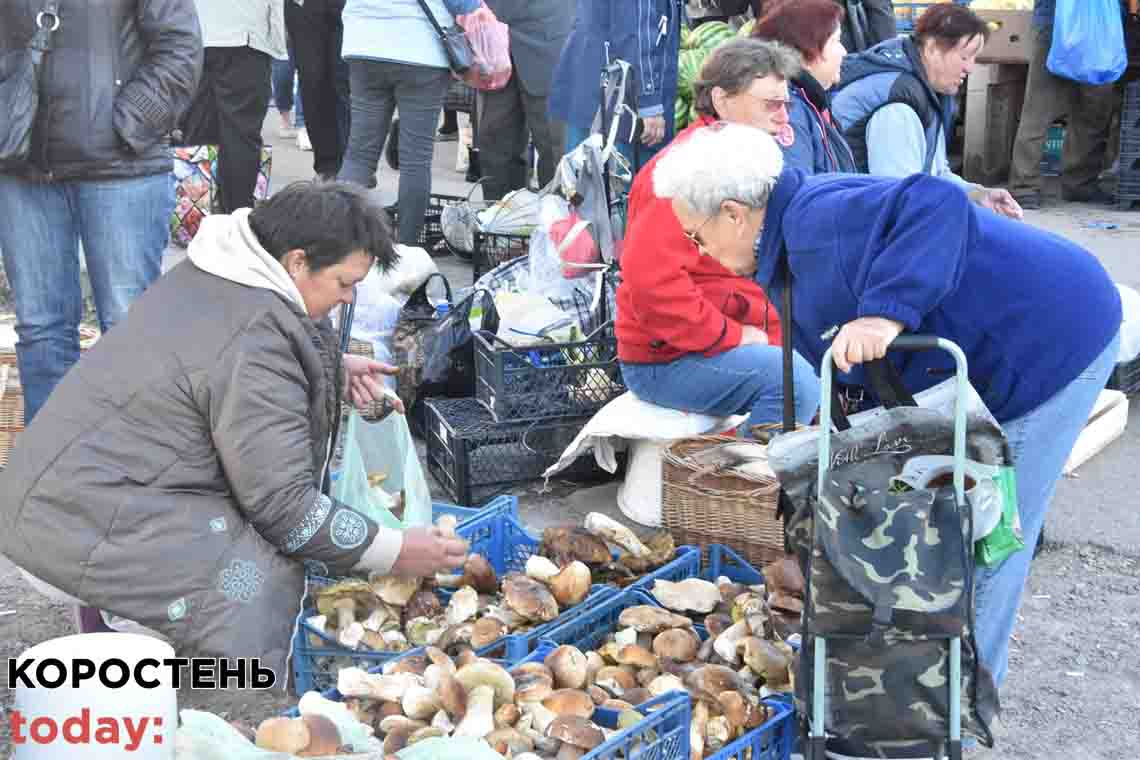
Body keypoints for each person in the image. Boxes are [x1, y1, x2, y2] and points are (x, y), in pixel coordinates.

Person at [652, 122, 1122, 688]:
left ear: (733, 213)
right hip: (980, 359)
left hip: (1050, 341)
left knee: (987, 535)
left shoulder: (814, 220)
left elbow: (937, 200)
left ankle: (957, 706)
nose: (699, 252)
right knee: (932, 521)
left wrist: (885, 312)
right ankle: (913, 687)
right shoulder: (784, 248)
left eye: (697, 237)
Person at [0, 183, 471, 681]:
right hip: (79, 523)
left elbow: (221, 370)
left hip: (64, 497)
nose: (348, 297)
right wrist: (397, 549)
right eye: (343, 283)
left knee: (261, 542)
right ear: (295, 262)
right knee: (258, 579)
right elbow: (287, 509)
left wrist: (333, 364)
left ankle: (115, 617)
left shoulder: (226, 272)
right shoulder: (256, 340)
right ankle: (138, 659)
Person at [0, 0, 203, 426]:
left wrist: (128, 124)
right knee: (41, 330)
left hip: (120, 167)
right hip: (22, 160)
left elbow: (179, 46)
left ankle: (131, 465)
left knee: (129, 327)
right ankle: (49, 473)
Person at [617, 40, 821, 433]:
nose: (783, 117)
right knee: (796, 385)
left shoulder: (749, 161)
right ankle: (737, 483)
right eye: (770, 104)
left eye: (786, 105)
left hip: (728, 338)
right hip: (668, 360)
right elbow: (652, 285)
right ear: (721, 101)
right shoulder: (687, 173)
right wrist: (730, 335)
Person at [831, 4, 1024, 220]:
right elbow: (899, 200)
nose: (970, 68)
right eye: (964, 57)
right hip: (855, 227)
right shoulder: (899, 109)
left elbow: (937, 172)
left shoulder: (925, 90)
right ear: (932, 48)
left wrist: (977, 194)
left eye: (974, 59)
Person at [337, 0, 483, 243]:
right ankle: (407, 251)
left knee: (358, 156)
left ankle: (339, 246)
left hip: (364, 44)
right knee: (415, 160)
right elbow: (463, 4)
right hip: (421, 50)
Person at [549, 0, 685, 173]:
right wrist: (649, 101)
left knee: (586, 184)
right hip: (621, 99)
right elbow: (638, 29)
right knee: (622, 187)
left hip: (591, 81)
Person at [1008, 0, 1119, 208]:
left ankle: (1079, 183)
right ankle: (1024, 187)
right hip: (1056, 22)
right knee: (1040, 108)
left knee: (1094, 109)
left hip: (1098, 26)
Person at [182, 0, 285, 214]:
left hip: (192, 32)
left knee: (196, 133)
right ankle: (236, 219)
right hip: (245, 35)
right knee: (240, 135)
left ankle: (196, 217)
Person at [478, 0, 574, 200]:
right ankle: (499, 223)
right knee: (493, 144)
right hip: (492, 38)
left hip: (548, 38)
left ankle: (555, 224)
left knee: (554, 148)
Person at [751, 0, 857, 174]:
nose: (844, 51)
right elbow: (799, 195)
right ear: (807, 52)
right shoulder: (787, 112)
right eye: (836, 41)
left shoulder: (811, 100)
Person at [285, 0, 352, 177]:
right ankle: (327, 166)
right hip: (305, 7)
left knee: (344, 81)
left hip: (349, 7)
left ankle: (353, 162)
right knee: (312, 81)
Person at [271, 39, 306, 139]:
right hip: (284, 33)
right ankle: (288, 118)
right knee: (283, 76)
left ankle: (302, 124)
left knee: (308, 74)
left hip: (308, 31)